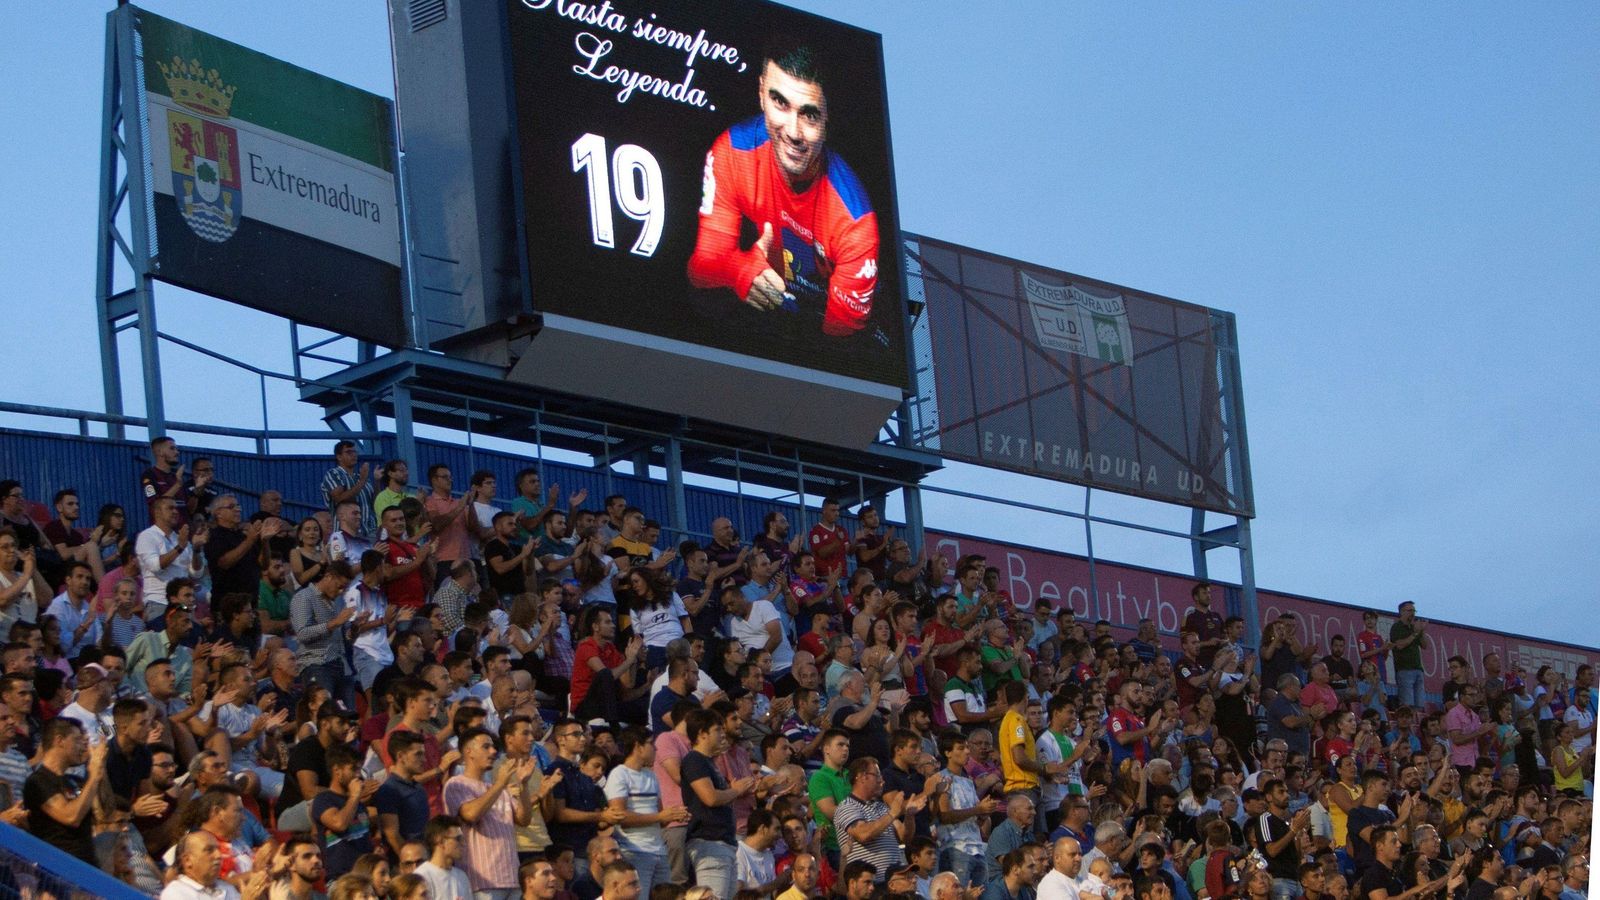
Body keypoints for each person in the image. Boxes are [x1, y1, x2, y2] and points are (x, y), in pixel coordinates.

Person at [682, 707, 759, 898]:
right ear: (702, 734)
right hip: (709, 843)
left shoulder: (708, 762)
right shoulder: (695, 760)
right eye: (717, 729)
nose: (722, 733)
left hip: (723, 843)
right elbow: (710, 797)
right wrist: (736, 790)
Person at [605, 725, 688, 899]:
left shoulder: (651, 776)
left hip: (659, 850)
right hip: (634, 850)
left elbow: (660, 816)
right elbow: (620, 816)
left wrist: (675, 815)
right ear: (638, 746)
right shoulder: (619, 774)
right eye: (651, 744)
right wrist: (660, 816)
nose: (655, 749)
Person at [25, 717, 107, 864]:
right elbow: (71, 817)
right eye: (76, 740)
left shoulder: (73, 781)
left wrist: (100, 769)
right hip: (60, 868)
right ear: (59, 740)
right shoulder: (38, 781)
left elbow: (104, 813)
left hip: (87, 864)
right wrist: (94, 776)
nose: (83, 746)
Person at [136, 496, 208, 623]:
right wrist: (180, 547)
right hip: (159, 603)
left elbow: (196, 573)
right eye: (170, 508)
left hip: (184, 605)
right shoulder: (147, 536)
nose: (175, 511)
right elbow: (155, 566)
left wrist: (196, 549)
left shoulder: (180, 538)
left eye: (176, 508)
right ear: (157, 512)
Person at [313, 744, 378, 879]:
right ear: (337, 771)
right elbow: (339, 824)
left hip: (366, 877)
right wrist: (354, 796)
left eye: (359, 769)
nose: (358, 775)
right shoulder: (323, 800)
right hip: (340, 880)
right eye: (353, 769)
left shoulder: (357, 803)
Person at [323, 440, 378, 539]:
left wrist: (377, 481)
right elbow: (339, 498)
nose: (353, 455)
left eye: (355, 452)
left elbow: (374, 503)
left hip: (369, 532)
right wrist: (362, 481)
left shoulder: (361, 477)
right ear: (339, 457)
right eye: (349, 452)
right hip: (344, 534)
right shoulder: (334, 474)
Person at [416, 815, 474, 900]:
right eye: (458, 839)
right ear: (440, 841)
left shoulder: (462, 877)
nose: (463, 844)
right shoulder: (422, 876)